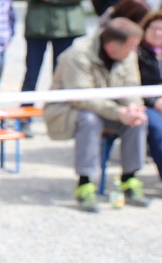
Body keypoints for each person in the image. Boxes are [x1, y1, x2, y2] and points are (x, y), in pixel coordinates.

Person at [43, 18, 149, 212]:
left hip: (109, 110)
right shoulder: (77, 55)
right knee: (89, 120)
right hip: (71, 111)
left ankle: (130, 178)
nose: (135, 50)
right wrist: (118, 112)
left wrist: (133, 107)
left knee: (139, 119)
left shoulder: (127, 55)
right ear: (111, 46)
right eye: (132, 46)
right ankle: (85, 183)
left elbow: (131, 85)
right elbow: (82, 97)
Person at [137, 9, 162, 186]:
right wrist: (155, 101)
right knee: (158, 129)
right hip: (145, 103)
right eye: (154, 28)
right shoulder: (135, 53)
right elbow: (132, 85)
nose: (158, 33)